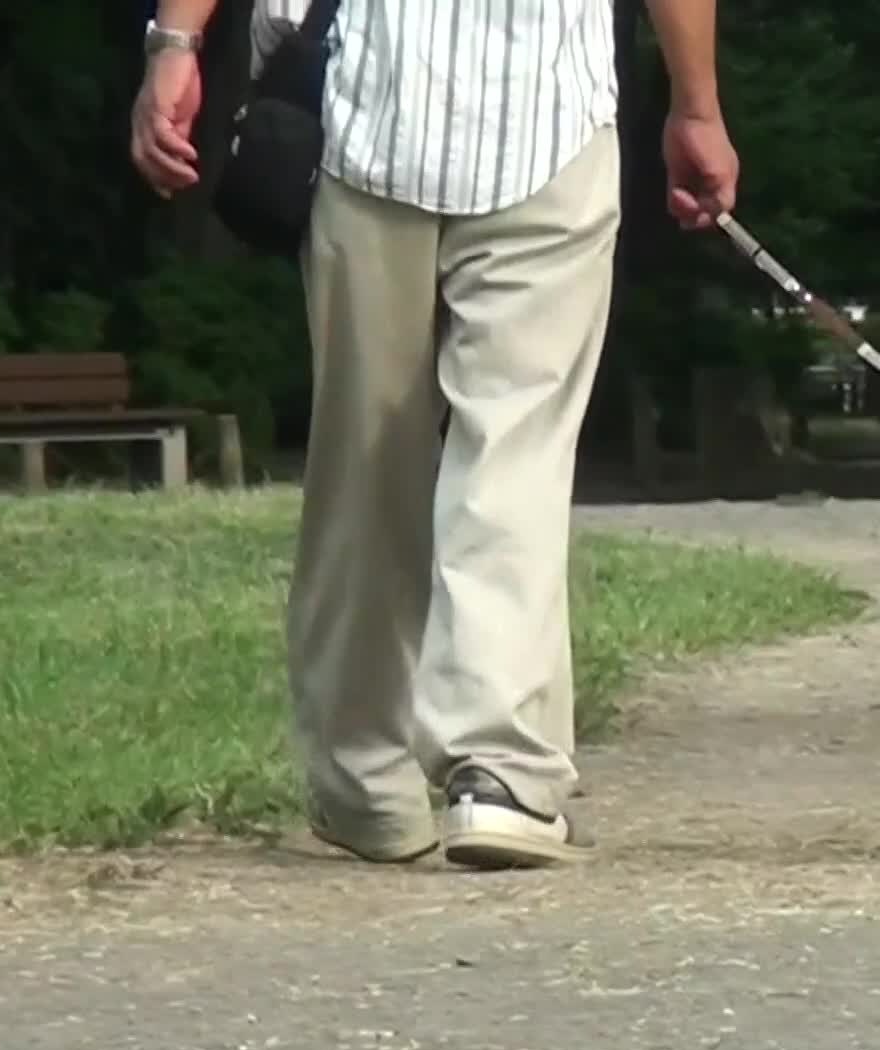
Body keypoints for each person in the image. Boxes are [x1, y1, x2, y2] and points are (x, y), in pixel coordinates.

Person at [130, 0, 739, 871]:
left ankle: (364, 781)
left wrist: (175, 44)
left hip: (371, 111)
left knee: (366, 463)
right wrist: (695, 106)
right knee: (514, 454)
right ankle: (500, 771)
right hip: (549, 120)